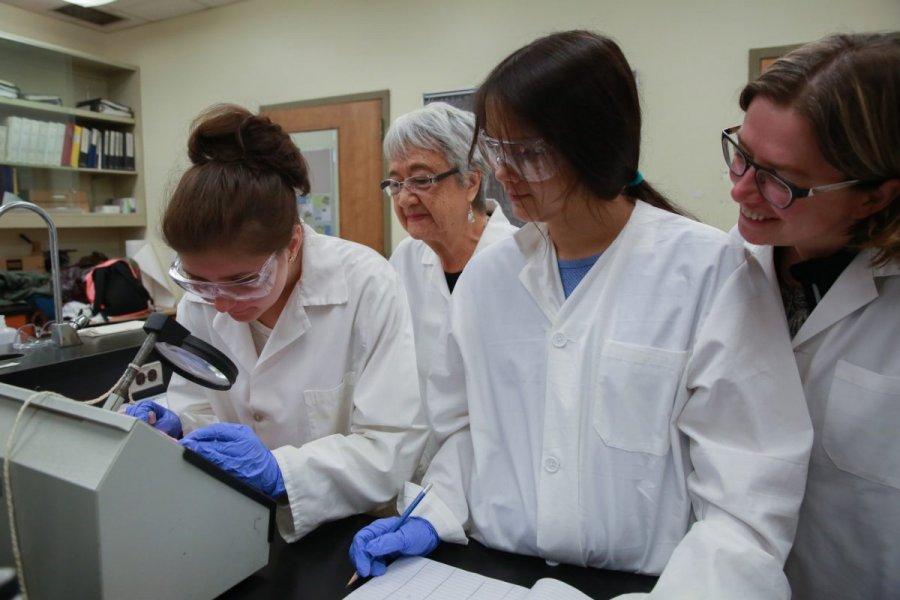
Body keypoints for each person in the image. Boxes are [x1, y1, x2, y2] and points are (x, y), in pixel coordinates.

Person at [349, 31, 813, 599]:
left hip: (656, 586)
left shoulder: (713, 272)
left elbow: (749, 494)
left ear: (596, 145)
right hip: (496, 575)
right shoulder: (489, 280)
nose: (505, 172)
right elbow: (463, 431)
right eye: (496, 149)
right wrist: (435, 507)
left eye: (529, 152)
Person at [125, 104, 427, 543]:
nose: (221, 304)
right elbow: (199, 407)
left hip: (346, 531)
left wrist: (280, 471)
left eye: (243, 280)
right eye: (200, 282)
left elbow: (391, 446)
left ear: (292, 241)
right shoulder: (202, 301)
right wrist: (173, 423)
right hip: (233, 519)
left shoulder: (366, 284)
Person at [724, 32, 900, 599]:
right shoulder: (730, 261)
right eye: (741, 155)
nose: (741, 191)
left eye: (778, 179)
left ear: (874, 196)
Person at [383, 102, 517, 475]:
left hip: (501, 473)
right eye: (395, 183)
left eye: (421, 180)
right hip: (422, 470)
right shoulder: (406, 259)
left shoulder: (521, 262)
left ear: (471, 181)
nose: (405, 197)